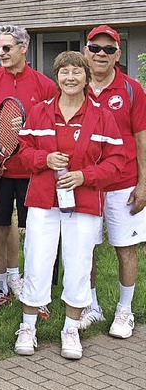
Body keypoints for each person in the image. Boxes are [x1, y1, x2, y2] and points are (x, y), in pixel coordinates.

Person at [14, 51, 124, 360]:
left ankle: (71, 328)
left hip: (84, 202)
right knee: (37, 260)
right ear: (57, 77)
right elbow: (24, 151)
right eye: (64, 72)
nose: (70, 77)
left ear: (87, 78)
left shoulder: (102, 115)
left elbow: (117, 162)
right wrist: (44, 159)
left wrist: (85, 175)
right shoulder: (39, 112)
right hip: (43, 201)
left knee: (78, 264)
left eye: (77, 72)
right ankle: (28, 326)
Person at [0, 25, 58, 313]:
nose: (1, 53)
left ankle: (37, 292)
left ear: (24, 48)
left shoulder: (44, 85)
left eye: (7, 48)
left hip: (32, 174)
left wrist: (28, 130)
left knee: (35, 234)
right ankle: (2, 288)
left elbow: (52, 130)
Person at [79, 25, 146, 338]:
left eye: (108, 49)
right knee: (86, 249)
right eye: (95, 48)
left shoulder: (131, 89)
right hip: (86, 183)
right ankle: (91, 305)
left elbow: (141, 138)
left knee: (125, 248)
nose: (101, 55)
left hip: (124, 183)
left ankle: (125, 310)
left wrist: (144, 184)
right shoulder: (74, 86)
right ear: (86, 52)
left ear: (118, 54)